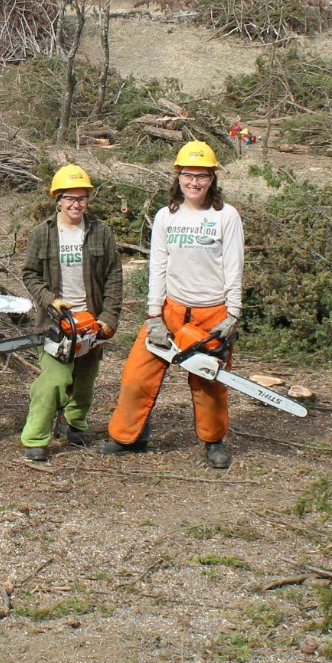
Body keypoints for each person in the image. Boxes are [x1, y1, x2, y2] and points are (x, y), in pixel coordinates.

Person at [100, 140, 244, 469]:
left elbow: (235, 267)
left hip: (213, 311)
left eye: (202, 176)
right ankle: (127, 436)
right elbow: (158, 266)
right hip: (171, 309)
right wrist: (154, 315)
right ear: (178, 176)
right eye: (188, 175)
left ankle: (213, 441)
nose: (194, 182)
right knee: (137, 376)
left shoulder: (226, 216)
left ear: (212, 179)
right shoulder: (167, 216)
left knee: (210, 382)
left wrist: (233, 314)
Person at [18, 164, 123, 463]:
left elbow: (115, 275)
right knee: (52, 380)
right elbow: (30, 275)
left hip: (91, 320)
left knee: (85, 381)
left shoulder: (101, 232)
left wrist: (109, 317)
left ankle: (75, 423)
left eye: (82, 198)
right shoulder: (43, 234)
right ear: (58, 199)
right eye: (70, 198)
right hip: (56, 322)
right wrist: (50, 300)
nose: (76, 204)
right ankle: (36, 436)